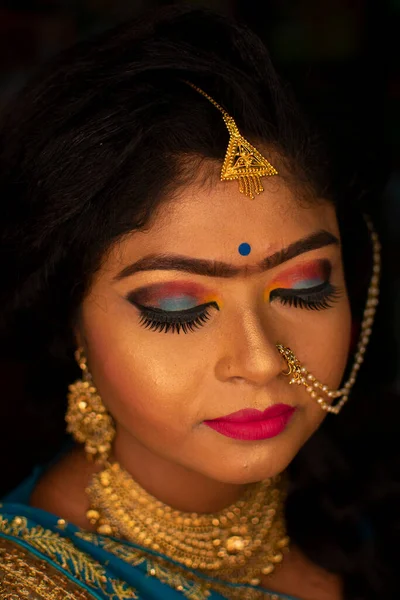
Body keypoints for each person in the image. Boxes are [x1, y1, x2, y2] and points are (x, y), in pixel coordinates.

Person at [0, 6, 397, 600]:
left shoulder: (370, 496)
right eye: (178, 307)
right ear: (72, 320)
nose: (261, 361)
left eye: (304, 287)